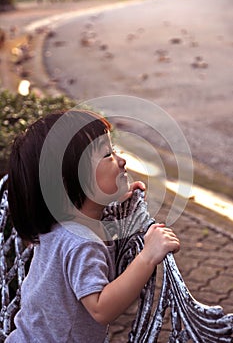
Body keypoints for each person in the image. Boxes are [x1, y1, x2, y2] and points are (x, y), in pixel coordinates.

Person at [6, 109, 180, 343]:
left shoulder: (63, 224)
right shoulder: (81, 241)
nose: (122, 160)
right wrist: (148, 256)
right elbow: (101, 309)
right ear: (70, 181)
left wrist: (115, 197)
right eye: (107, 154)